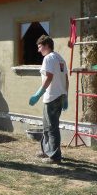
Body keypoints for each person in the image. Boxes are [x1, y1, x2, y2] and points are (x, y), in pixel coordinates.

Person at [29, 35, 68, 164]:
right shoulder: (60, 58)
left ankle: (55, 156)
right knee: (47, 126)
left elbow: (49, 77)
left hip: (51, 97)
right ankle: (47, 150)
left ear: (46, 46)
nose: (38, 50)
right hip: (59, 96)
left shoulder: (48, 58)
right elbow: (66, 79)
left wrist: (39, 93)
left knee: (51, 127)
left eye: (40, 47)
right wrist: (65, 95)